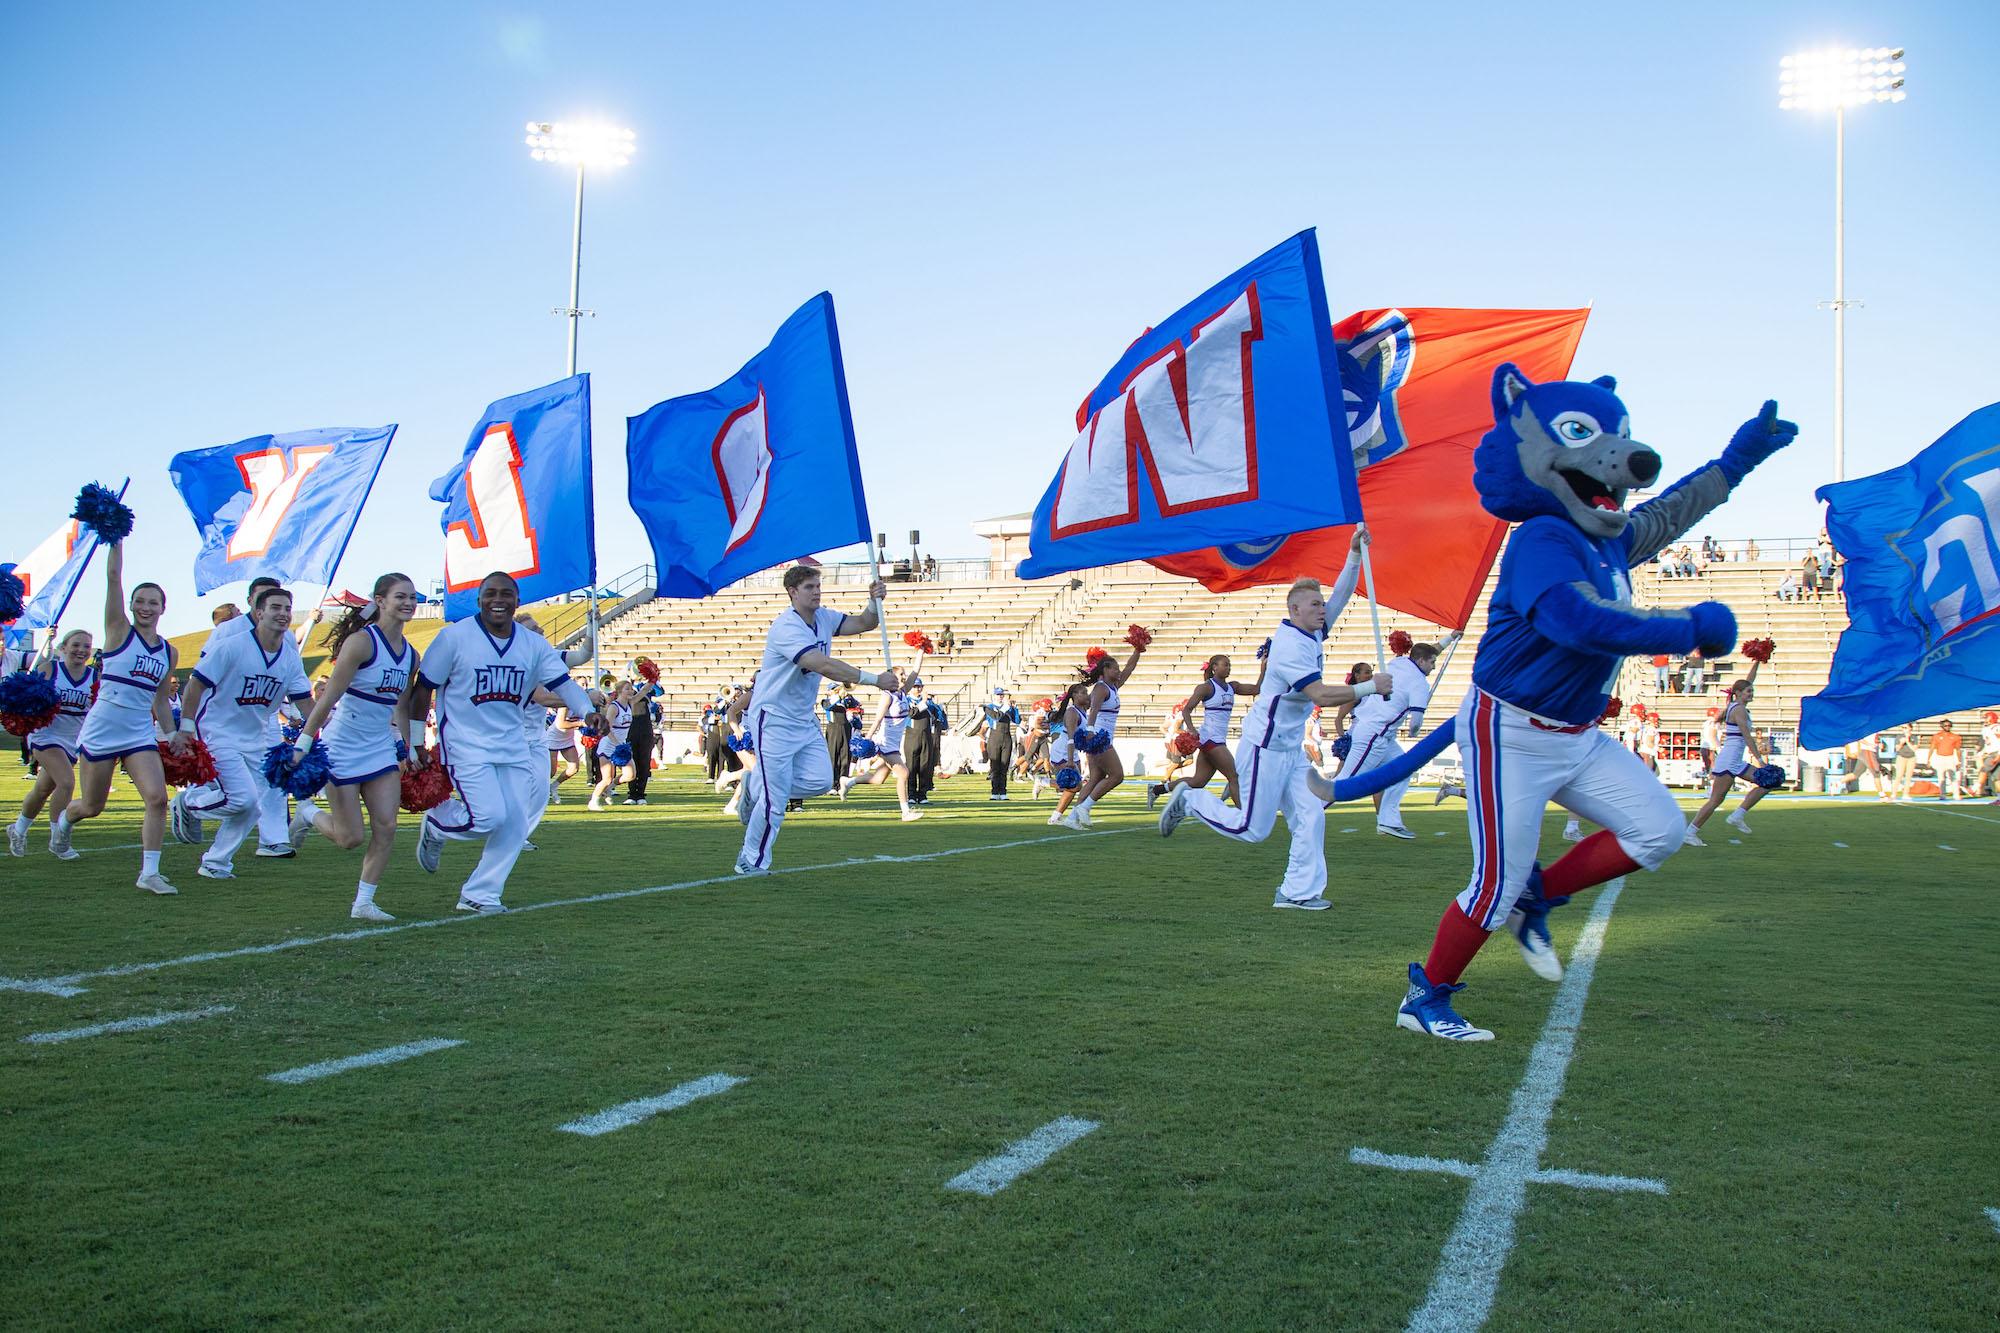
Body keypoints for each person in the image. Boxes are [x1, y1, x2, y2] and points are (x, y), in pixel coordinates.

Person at [1158, 554, 1396, 911]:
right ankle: (1190, 800)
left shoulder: (1310, 628)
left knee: (1312, 814)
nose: (1323, 609)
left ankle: (1297, 893)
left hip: (1288, 749)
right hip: (1264, 748)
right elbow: (1320, 695)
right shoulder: (1289, 648)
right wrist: (1370, 687)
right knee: (1253, 829)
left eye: (1321, 603)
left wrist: (1353, 555)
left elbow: (1341, 597)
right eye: (1315, 604)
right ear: (1296, 610)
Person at [403, 572, 600, 912]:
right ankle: (438, 821)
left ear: (517, 600)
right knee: (489, 816)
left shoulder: (533, 644)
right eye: (490, 593)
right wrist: (417, 740)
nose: (498, 600)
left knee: (515, 822)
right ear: (479, 599)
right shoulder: (454, 638)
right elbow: (423, 690)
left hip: (512, 744)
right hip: (465, 743)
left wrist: (587, 709)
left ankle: (480, 894)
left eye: (506, 593)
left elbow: (563, 683)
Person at [732, 566, 897, 876]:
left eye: (818, 585)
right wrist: (876, 680)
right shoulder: (785, 627)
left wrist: (874, 601)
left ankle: (757, 785)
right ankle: (750, 860)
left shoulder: (824, 617)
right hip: (774, 718)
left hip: (802, 718)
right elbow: (820, 664)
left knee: (821, 781)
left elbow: (865, 622)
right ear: (792, 592)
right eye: (809, 587)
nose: (817, 591)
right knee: (776, 802)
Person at [284, 573, 420, 919]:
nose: (408, 603)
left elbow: (401, 706)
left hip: (378, 748)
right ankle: (307, 812)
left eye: (412, 597)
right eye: (400, 596)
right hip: (342, 747)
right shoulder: (361, 642)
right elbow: (328, 699)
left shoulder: (411, 655)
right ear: (380, 600)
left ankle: (364, 902)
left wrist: (410, 747)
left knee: (387, 826)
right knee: (350, 838)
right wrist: (303, 742)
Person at [52, 542, 180, 893]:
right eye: (140, 600)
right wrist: (117, 540)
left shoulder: (169, 651)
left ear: (163, 608)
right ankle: (65, 820)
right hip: (103, 728)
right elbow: (113, 576)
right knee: (92, 806)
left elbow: (160, 699)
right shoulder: (118, 631)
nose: (145, 607)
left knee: (157, 798)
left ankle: (149, 873)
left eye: (153, 602)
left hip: (139, 730)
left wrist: (171, 736)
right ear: (131, 605)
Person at [168, 584, 313, 880]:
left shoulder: (289, 657)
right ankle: (189, 803)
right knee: (244, 800)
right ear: (258, 613)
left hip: (257, 736)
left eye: (287, 608)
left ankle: (216, 862)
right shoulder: (232, 645)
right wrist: (185, 726)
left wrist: (320, 735)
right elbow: (196, 683)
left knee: (254, 806)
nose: (283, 614)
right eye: (275, 607)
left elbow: (306, 703)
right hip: (218, 732)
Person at [1341, 626, 1458, 839]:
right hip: (1374, 735)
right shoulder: (1419, 683)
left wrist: (1451, 637)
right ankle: (1308, 810)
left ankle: (1388, 821)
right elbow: (1416, 722)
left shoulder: (1400, 662)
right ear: (1422, 662)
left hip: (1378, 733)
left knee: (1404, 769)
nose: (1433, 667)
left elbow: (1430, 650)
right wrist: (1414, 732)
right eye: (1432, 663)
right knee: (1345, 782)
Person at [7, 629, 95, 860]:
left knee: (43, 789)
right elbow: (28, 699)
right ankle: (59, 838)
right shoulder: (50, 670)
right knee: (66, 783)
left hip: (72, 740)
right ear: (63, 648)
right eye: (76, 645)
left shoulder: (95, 677)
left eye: (87, 646)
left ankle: (17, 830)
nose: (81, 650)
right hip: (45, 736)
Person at [1059, 634, 1149, 829]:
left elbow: (1130, 668)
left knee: (1096, 778)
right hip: (1099, 736)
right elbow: (1095, 710)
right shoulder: (1101, 688)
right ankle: (1085, 808)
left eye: (1117, 668)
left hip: (1100, 736)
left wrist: (1138, 649)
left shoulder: (1112, 686)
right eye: (1114, 668)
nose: (1118, 671)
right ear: (1105, 670)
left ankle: (1072, 818)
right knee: (1117, 775)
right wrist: (1091, 730)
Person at [1149, 654, 1260, 809]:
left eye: (1229, 665)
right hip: (1210, 739)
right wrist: (1192, 729)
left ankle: (1157, 789)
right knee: (1233, 777)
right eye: (1225, 664)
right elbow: (1187, 710)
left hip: (1218, 739)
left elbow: (1257, 689)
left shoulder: (1232, 687)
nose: (1228, 668)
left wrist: (1264, 667)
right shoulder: (1206, 687)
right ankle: (1245, 814)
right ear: (1214, 667)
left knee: (1198, 781)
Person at [1685, 657, 1774, 844]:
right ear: (1739, 693)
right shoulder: (1739, 710)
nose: (1751, 693)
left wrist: (1757, 660)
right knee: (1716, 800)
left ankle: (1737, 815)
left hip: (1734, 760)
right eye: (1748, 691)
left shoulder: (1736, 704)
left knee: (1769, 782)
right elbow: (1747, 736)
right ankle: (1690, 832)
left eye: (1752, 691)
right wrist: (1759, 759)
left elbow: (1749, 679)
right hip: (1729, 761)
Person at [839, 665, 922, 821]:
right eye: (901, 674)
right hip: (885, 742)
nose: (904, 677)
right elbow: (878, 718)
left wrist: (921, 650)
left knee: (878, 779)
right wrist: (868, 737)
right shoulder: (887, 696)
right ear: (892, 678)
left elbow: (915, 671)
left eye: (904, 674)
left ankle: (848, 781)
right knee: (904, 773)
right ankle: (905, 812)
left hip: (894, 743)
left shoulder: (903, 693)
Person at [588, 682, 637, 811]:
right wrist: (616, 744)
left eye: (631, 689)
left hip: (621, 744)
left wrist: (652, 680)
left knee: (630, 775)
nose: (631, 691)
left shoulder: (630, 703)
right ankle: (594, 801)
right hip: (609, 745)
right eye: (627, 689)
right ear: (620, 691)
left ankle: (608, 790)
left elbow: (643, 692)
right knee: (607, 778)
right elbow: (606, 727)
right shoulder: (614, 707)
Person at [980, 688, 1019, 800]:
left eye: (1002, 694)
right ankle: (994, 791)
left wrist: (1014, 709)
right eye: (998, 695)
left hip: (1006, 737)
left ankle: (1003, 791)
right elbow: (996, 717)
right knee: (995, 765)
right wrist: (1006, 707)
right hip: (994, 737)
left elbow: (1017, 720)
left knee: (1004, 765)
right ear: (994, 696)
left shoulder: (1007, 708)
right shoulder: (989, 707)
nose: (1000, 696)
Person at [1926, 720, 1963, 799]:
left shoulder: (1955, 737)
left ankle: (1956, 794)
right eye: (1945, 725)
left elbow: (1958, 749)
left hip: (1950, 757)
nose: (1947, 727)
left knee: (1952, 777)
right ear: (1942, 726)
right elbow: (1932, 748)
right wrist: (1929, 759)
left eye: (1949, 725)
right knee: (1941, 777)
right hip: (1940, 757)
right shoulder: (1937, 736)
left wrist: (1959, 761)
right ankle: (1942, 795)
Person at [1972, 712, 2000, 799]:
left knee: (1983, 770)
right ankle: (1999, 798)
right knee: (1996, 778)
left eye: (1986, 718)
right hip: (1991, 753)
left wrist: (1998, 756)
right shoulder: (1985, 729)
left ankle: (1974, 788)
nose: (1985, 720)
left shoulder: (1997, 728)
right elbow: (1987, 744)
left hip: (1996, 753)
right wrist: (1981, 753)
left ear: (1991, 718)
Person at [1890, 724, 1918, 801]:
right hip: (1901, 757)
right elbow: (1897, 749)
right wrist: (1902, 743)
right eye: (1903, 728)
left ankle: (1906, 793)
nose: (1904, 729)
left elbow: (1914, 749)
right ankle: (1894, 793)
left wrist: (1908, 741)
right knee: (1899, 775)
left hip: (1911, 757)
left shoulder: (1914, 737)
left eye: (1906, 728)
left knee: (1908, 776)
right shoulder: (1899, 737)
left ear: (1910, 729)